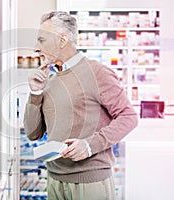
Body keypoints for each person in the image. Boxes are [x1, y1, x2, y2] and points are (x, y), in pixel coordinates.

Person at [23, 11, 138, 200]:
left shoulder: (97, 73)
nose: (36, 48)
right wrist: (35, 93)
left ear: (62, 40)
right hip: (54, 180)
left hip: (89, 183)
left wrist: (89, 145)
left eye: (42, 40)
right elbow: (32, 133)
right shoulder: (49, 80)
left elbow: (129, 116)